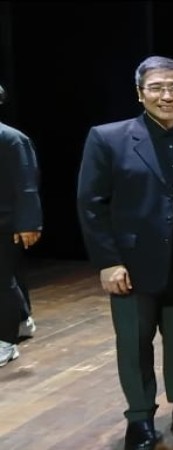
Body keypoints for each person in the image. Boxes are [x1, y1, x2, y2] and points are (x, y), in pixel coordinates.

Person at [76, 56, 173, 450]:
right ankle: (140, 416)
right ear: (140, 93)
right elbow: (91, 204)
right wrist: (108, 261)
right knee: (133, 342)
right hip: (130, 263)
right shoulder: (107, 138)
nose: (167, 96)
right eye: (156, 87)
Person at [0, 82, 42, 366]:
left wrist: (29, 223)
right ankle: (23, 317)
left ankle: (6, 341)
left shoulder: (12, 139)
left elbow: (27, 184)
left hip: (5, 222)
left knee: (2, 281)